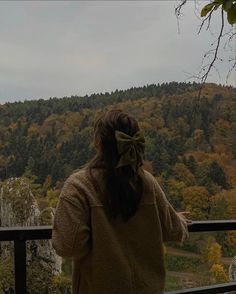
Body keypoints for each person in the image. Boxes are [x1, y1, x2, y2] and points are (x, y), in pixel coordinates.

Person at [52, 109, 191, 294]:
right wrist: (178, 219)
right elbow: (174, 230)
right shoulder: (146, 182)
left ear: (99, 143)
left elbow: (68, 246)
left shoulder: (79, 186)